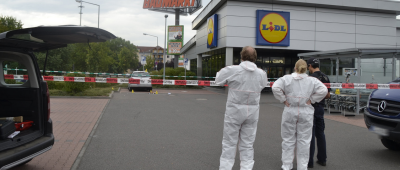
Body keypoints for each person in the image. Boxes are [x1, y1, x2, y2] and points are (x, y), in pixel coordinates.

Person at [215, 46, 268, 170]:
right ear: (255, 57)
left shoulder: (233, 70)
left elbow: (218, 80)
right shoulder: (261, 73)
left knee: (229, 143)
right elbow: (263, 86)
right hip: (252, 112)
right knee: (248, 144)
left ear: (241, 56)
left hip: (234, 111)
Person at [272, 59, 328, 170]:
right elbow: (324, 90)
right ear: (306, 68)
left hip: (290, 109)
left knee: (288, 139)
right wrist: (312, 99)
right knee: (304, 141)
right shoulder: (312, 80)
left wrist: (283, 99)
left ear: (295, 68)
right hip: (305, 111)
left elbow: (275, 87)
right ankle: (302, 166)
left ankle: (287, 165)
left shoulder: (286, 78)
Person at [307, 58, 331, 168]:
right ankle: (322, 159)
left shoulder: (311, 78)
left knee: (310, 135)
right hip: (321, 108)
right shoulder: (325, 77)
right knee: (320, 133)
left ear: (310, 66)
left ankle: (309, 161)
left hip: (311, 107)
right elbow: (328, 95)